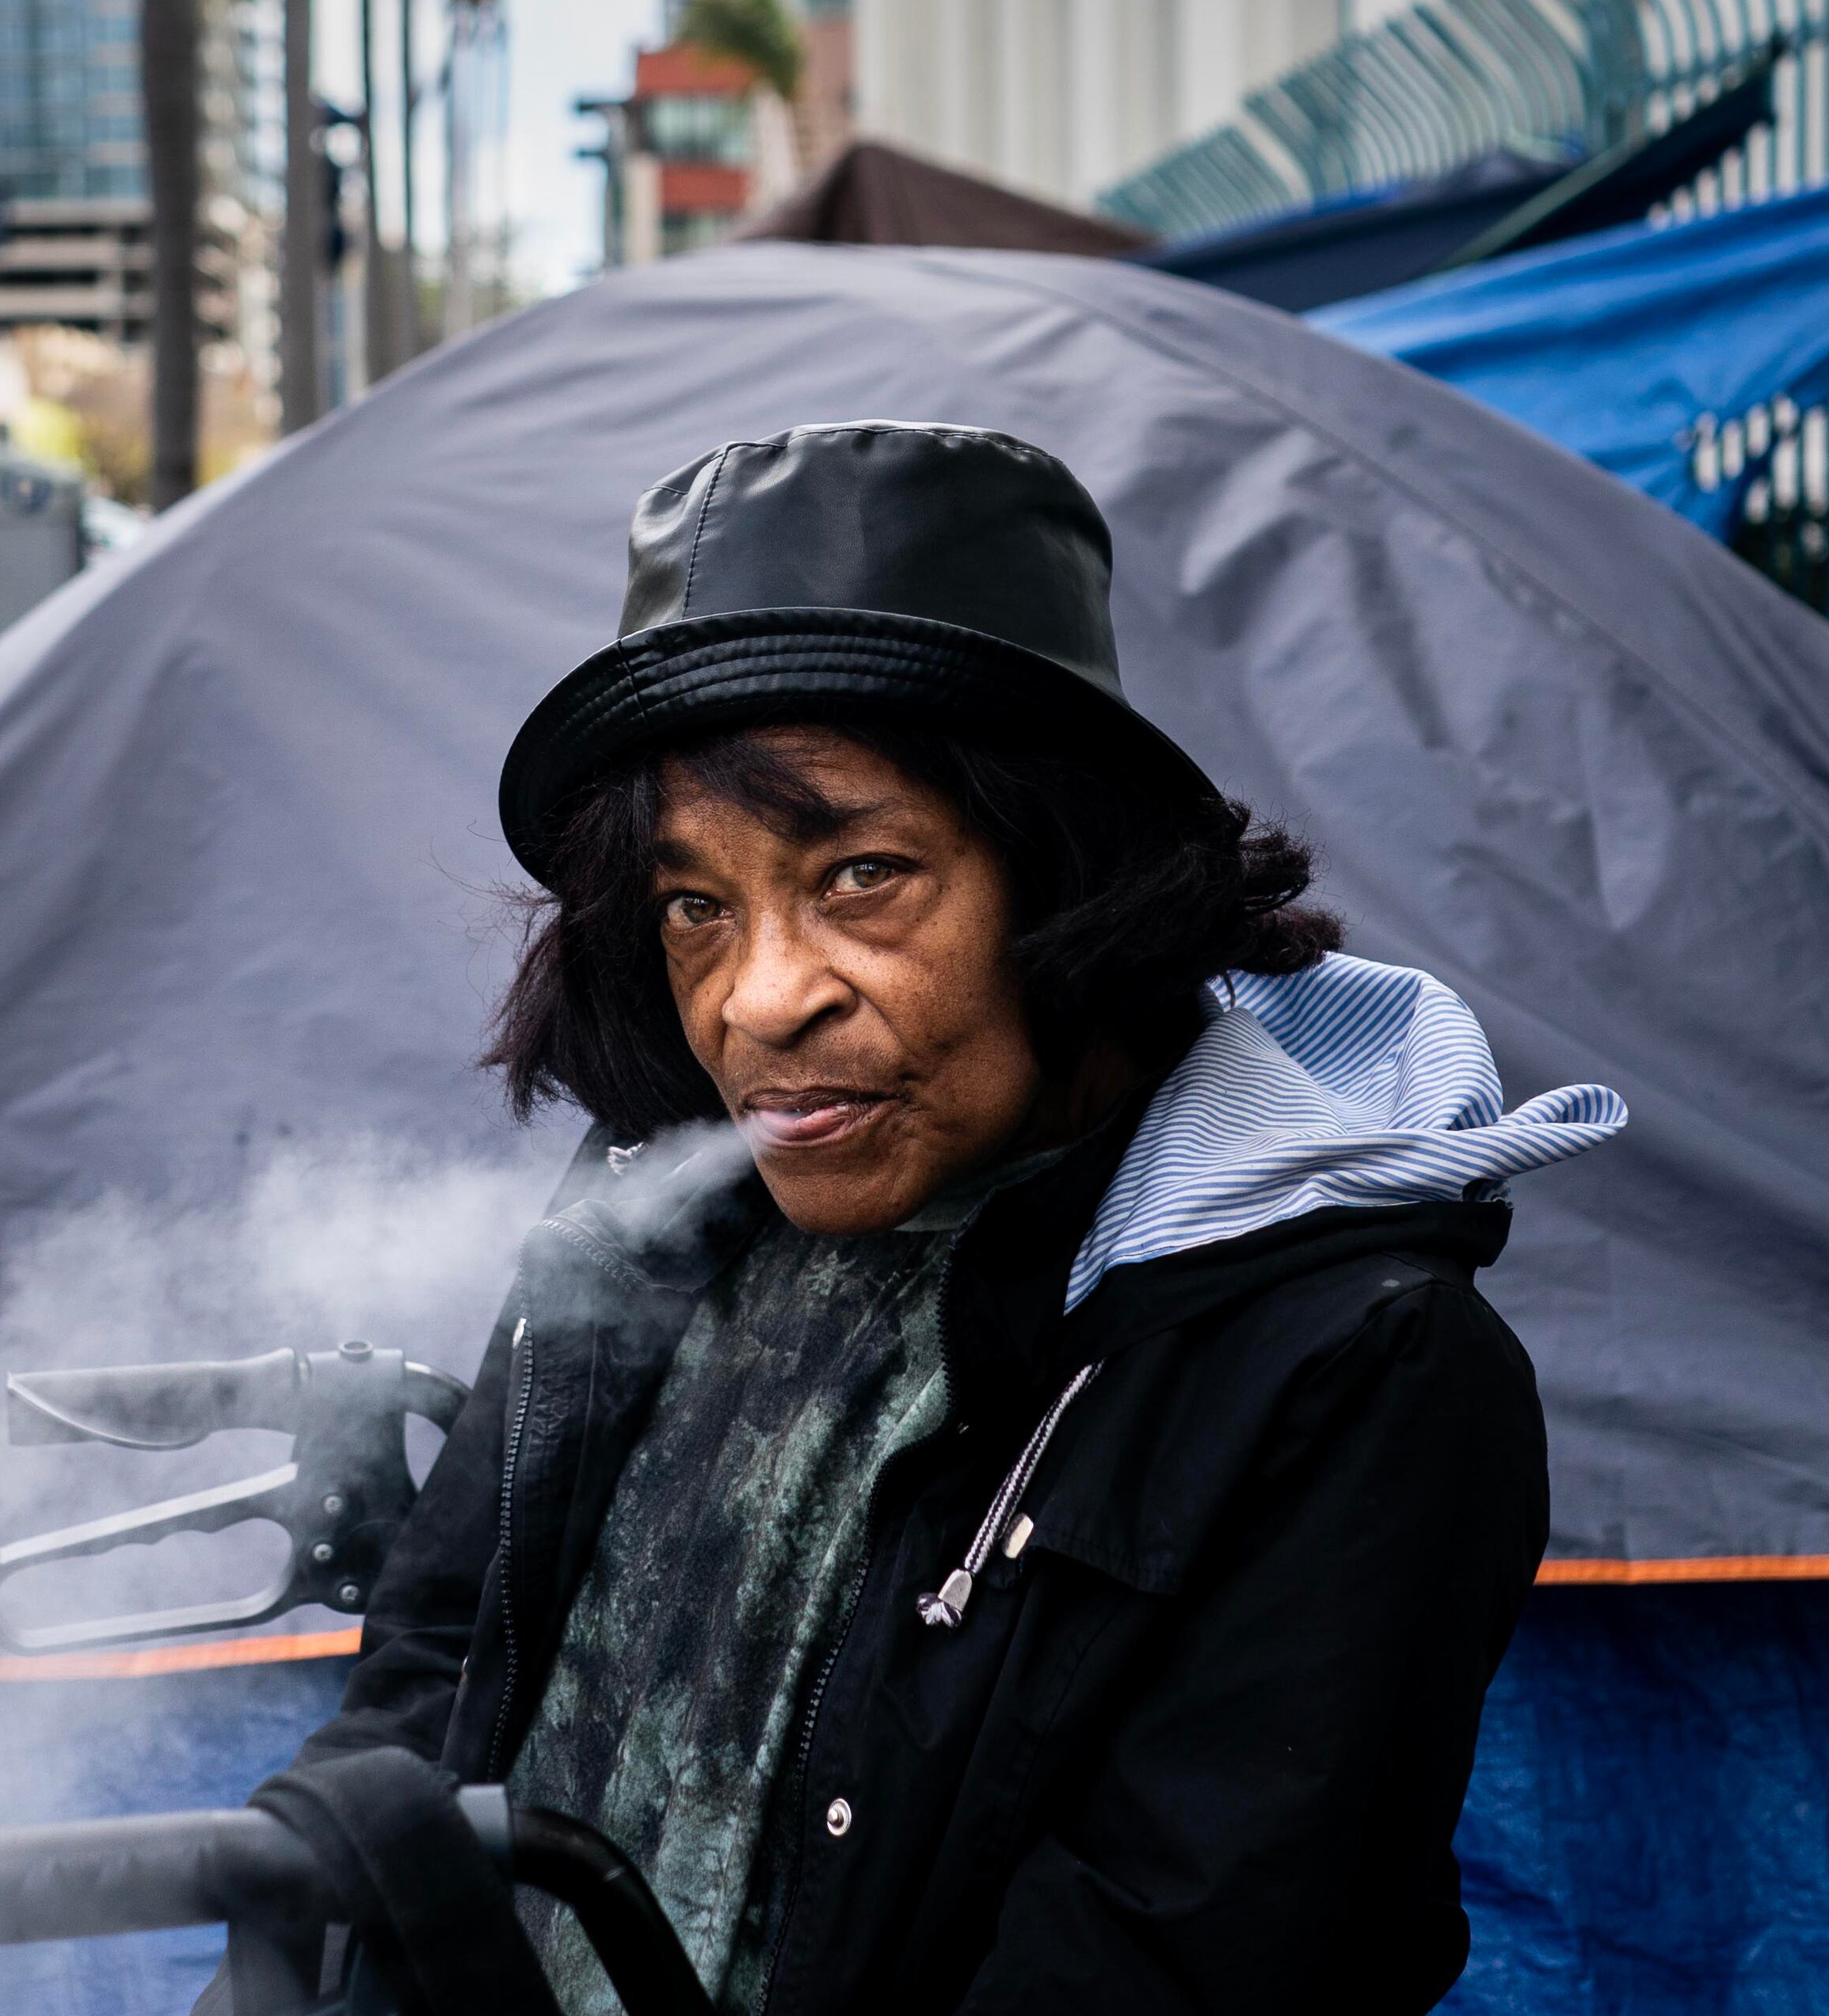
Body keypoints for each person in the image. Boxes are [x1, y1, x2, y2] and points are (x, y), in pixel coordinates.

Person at [273, 421, 1622, 2015]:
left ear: (1066, 876)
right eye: (696, 909)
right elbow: (443, 1667)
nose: (761, 1001)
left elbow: (1168, 1962)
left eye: (861, 875)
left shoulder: (1344, 1367)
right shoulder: (650, 1215)